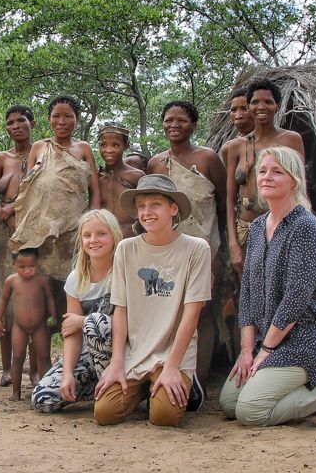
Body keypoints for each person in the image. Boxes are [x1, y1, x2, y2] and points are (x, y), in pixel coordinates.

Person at [220, 146, 316, 425]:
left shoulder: (305, 227)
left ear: (294, 180)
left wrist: (266, 352)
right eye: (262, 171)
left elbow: (295, 300)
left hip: (305, 338)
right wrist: (247, 351)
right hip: (268, 338)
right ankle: (299, 383)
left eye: (277, 172)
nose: (266, 177)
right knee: (229, 403)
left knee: (250, 412)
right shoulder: (258, 227)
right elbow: (248, 292)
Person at [93, 174, 210, 427]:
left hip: (172, 353)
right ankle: (145, 387)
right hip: (135, 351)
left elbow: (192, 314)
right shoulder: (126, 249)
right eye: (142, 206)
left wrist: (172, 367)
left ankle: (185, 382)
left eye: (155, 204)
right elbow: (120, 309)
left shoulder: (196, 249)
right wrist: (116, 362)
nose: (147, 212)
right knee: (105, 413)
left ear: (173, 208)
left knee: (164, 417)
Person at [147, 100, 227, 382]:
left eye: (181, 120)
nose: (174, 125)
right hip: (166, 254)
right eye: (169, 120)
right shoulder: (156, 163)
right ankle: (168, 375)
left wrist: (218, 253)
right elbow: (151, 209)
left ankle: (198, 382)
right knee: (167, 313)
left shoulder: (208, 159)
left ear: (193, 125)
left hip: (204, 250)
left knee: (201, 314)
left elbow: (223, 205)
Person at [10, 95, 100, 324]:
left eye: (68, 116)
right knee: (41, 294)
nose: (62, 121)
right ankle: (40, 355)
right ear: (49, 119)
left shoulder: (84, 149)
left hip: (73, 232)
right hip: (40, 234)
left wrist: (92, 225)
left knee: (73, 291)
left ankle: (75, 350)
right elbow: (26, 190)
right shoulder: (40, 147)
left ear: (77, 119)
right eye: (56, 116)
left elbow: (95, 192)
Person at [32, 209, 121, 413]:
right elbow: (71, 331)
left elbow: (129, 321)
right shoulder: (76, 278)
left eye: (101, 234)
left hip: (122, 353)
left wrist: (83, 321)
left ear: (114, 236)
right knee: (43, 399)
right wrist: (67, 374)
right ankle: (90, 388)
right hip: (88, 355)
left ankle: (115, 389)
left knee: (97, 323)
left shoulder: (123, 272)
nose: (93, 240)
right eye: (87, 235)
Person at [224, 79, 305, 279]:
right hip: (247, 230)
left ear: (277, 105)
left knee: (281, 284)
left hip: (284, 228)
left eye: (268, 102)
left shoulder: (291, 140)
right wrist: (234, 243)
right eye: (255, 102)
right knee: (250, 291)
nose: (261, 107)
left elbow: (301, 188)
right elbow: (229, 198)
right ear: (249, 105)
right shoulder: (235, 147)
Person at [0, 105, 36, 386]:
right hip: (4, 233)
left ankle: (36, 367)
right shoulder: (1, 158)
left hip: (33, 230)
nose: (15, 126)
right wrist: (2, 211)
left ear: (32, 123)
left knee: (33, 296)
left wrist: (16, 208)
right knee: (6, 296)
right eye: (10, 122)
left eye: (21, 121)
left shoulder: (41, 153)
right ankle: (7, 368)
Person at [0, 247, 56, 401]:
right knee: (18, 357)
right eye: (22, 267)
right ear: (14, 265)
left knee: (44, 356)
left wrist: (53, 315)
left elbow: (49, 298)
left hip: (40, 325)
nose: (27, 271)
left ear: (37, 264)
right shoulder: (11, 281)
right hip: (19, 327)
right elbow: (3, 300)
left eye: (31, 266)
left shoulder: (41, 280)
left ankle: (44, 389)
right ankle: (16, 392)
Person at [96, 123, 144, 239]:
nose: (109, 150)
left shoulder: (136, 176)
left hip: (131, 238)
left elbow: (145, 207)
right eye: (103, 145)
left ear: (126, 145)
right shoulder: (96, 177)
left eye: (115, 145)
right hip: (104, 239)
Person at [218, 88, 255, 165]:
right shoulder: (228, 148)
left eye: (244, 109)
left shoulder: (276, 142)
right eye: (233, 110)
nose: (238, 116)